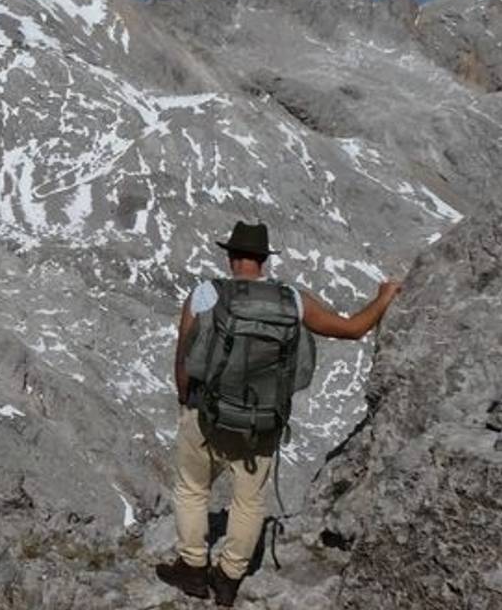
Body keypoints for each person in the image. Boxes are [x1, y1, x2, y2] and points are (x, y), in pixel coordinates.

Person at [155, 221, 401, 606]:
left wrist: (186, 400)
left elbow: (184, 357)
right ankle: (229, 578)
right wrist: (384, 297)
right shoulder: (291, 300)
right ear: (264, 261)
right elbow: (352, 329)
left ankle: (191, 567)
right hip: (262, 421)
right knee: (249, 500)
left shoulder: (205, 293)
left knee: (192, 488)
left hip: (207, 414)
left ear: (232, 257)